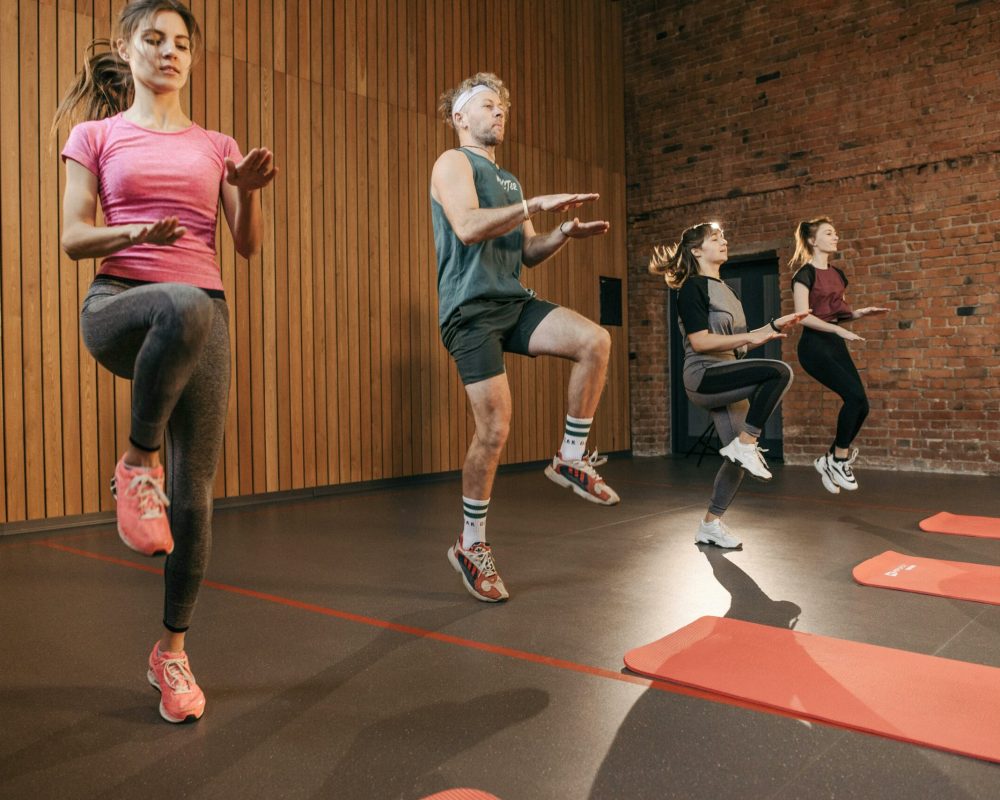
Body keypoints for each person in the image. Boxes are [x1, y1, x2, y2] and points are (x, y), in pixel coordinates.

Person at [54, 0, 277, 722]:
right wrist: (133, 231)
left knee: (196, 498)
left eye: (182, 42)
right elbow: (71, 238)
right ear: (128, 47)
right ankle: (134, 461)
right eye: (153, 38)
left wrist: (244, 192)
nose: (169, 51)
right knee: (181, 304)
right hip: (121, 305)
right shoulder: (96, 134)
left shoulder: (216, 144)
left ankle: (171, 653)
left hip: (205, 314)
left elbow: (245, 247)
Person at [430, 72, 619, 603]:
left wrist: (561, 233)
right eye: (488, 105)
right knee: (495, 429)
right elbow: (467, 226)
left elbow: (527, 252)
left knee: (595, 341)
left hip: (512, 302)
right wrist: (535, 206)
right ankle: (471, 545)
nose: (499, 113)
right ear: (460, 117)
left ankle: (571, 456)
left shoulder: (508, 180)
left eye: (503, 107)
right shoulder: (452, 163)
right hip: (470, 312)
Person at [649, 222, 807, 548]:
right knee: (779, 372)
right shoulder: (692, 288)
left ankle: (711, 523)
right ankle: (747, 443)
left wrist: (773, 325)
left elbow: (737, 348)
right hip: (704, 376)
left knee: (735, 463)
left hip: (728, 374)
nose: (724, 242)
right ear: (696, 250)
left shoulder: (729, 291)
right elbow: (702, 342)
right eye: (715, 238)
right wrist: (750, 335)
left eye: (724, 238)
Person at [789, 218, 889, 493]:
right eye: (829, 233)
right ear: (812, 241)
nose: (835, 237)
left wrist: (859, 314)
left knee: (862, 405)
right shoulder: (804, 275)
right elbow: (802, 317)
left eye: (835, 232)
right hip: (814, 347)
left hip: (834, 342)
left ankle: (829, 459)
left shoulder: (838, 274)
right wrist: (840, 332)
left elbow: (836, 314)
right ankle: (838, 459)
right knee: (854, 397)